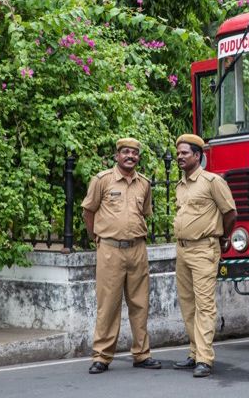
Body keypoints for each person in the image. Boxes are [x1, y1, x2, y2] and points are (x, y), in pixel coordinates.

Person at [81, 137, 162, 374]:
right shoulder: (102, 180)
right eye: (125, 152)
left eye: (134, 153)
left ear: (138, 157)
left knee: (140, 303)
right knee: (108, 305)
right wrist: (96, 237)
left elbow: (145, 213)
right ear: (117, 156)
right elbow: (89, 211)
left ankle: (142, 354)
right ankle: (102, 357)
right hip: (109, 250)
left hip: (137, 249)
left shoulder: (144, 184)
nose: (130, 156)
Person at [172, 134, 237, 378]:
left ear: (197, 156)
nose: (179, 156)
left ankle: (205, 358)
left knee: (204, 305)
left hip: (204, 249)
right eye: (178, 153)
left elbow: (230, 213)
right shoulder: (180, 185)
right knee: (187, 304)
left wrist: (223, 238)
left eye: (185, 153)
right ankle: (194, 352)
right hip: (183, 250)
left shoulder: (212, 181)